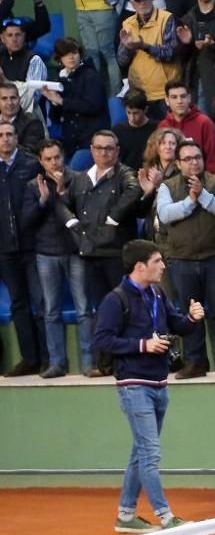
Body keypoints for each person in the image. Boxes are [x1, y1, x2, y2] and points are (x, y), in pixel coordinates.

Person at [93, 238, 200, 533]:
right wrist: (143, 344)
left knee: (141, 452)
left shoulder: (156, 294)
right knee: (150, 454)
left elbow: (176, 324)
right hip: (134, 385)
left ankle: (126, 515)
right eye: (157, 262)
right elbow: (101, 340)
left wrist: (191, 319)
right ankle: (166, 517)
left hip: (159, 384)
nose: (163, 266)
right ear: (140, 267)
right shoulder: (115, 300)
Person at [57, 130, 143, 377]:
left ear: (117, 151)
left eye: (109, 148)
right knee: (101, 311)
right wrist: (72, 224)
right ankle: (104, 363)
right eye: (99, 148)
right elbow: (63, 204)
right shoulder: (82, 179)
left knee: (124, 310)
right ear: (92, 150)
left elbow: (135, 191)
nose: (104, 152)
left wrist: (113, 218)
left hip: (117, 253)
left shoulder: (125, 174)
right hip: (90, 254)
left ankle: (127, 363)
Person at [157, 139, 215, 379]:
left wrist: (202, 195)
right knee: (190, 314)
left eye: (197, 158)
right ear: (178, 163)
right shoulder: (167, 187)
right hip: (182, 259)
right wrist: (191, 201)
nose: (194, 162)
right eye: (188, 159)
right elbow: (165, 214)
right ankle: (195, 363)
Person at [23, 140, 91, 379]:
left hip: (74, 252)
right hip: (46, 254)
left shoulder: (80, 180)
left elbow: (85, 213)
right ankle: (56, 363)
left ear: (64, 157)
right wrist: (43, 201)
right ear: (41, 161)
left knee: (83, 309)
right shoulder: (34, 185)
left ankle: (88, 362)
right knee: (50, 311)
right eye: (49, 159)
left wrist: (62, 195)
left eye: (57, 157)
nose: (54, 162)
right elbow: (27, 221)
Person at [0, 119, 45, 377]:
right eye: (1, 135)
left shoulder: (30, 165)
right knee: (19, 304)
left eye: (9, 134)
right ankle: (29, 359)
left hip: (32, 245)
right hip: (5, 248)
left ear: (17, 137)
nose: (5, 139)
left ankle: (48, 358)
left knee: (40, 304)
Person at [116, 0, 180, 119]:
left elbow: (171, 53)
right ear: (132, 4)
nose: (141, 3)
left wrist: (145, 46)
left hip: (165, 93)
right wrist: (127, 47)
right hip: (139, 94)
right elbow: (121, 61)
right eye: (137, 0)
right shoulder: (127, 24)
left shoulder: (166, 18)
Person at [42, 38, 110, 160]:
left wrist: (62, 101)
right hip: (71, 142)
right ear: (60, 59)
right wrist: (54, 103)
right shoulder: (60, 80)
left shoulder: (91, 76)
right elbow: (56, 118)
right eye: (66, 54)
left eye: (74, 53)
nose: (71, 57)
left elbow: (93, 106)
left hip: (91, 139)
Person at [174, 0, 215, 114]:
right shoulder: (187, 20)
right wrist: (189, 43)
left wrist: (214, 44)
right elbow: (180, 57)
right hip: (199, 79)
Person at [158, 80, 215, 174]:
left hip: (202, 184)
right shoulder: (162, 126)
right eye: (174, 97)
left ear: (189, 98)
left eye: (183, 96)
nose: (179, 101)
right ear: (167, 101)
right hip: (171, 185)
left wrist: (207, 186)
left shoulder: (204, 123)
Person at [135, 127, 182, 249]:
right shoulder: (147, 173)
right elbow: (140, 212)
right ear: (156, 147)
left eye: (172, 143)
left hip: (174, 235)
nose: (168, 146)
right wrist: (148, 193)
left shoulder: (183, 173)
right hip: (151, 234)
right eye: (163, 143)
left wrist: (159, 186)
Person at [0, 18, 47, 113]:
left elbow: (32, 98)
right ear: (2, 38)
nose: (14, 39)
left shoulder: (34, 60)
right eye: (9, 35)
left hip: (28, 120)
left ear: (24, 36)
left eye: (18, 35)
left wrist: (4, 80)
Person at [113, 88, 158, 171]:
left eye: (136, 113)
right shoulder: (118, 130)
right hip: (126, 177)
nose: (132, 117)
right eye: (128, 112)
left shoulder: (157, 128)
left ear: (145, 110)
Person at [0, 82, 45, 158]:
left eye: (13, 98)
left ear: (19, 99)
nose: (9, 103)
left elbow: (31, 154)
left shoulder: (33, 123)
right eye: (4, 98)